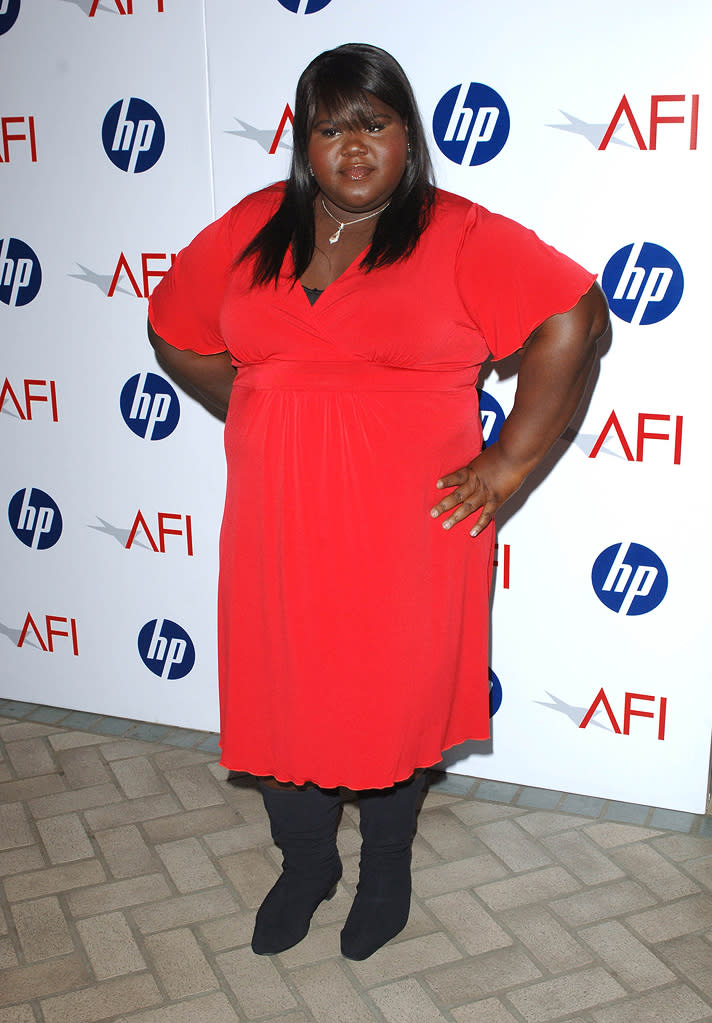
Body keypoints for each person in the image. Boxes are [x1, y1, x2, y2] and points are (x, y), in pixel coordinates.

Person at [147, 43, 609, 961]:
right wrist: (258, 406)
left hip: (410, 525)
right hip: (277, 520)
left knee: (391, 700)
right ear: (303, 143)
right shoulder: (253, 226)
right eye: (330, 129)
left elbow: (576, 317)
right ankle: (305, 865)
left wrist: (508, 464)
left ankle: (386, 868)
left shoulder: (458, 232)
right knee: (283, 693)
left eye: (374, 125)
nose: (352, 149)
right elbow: (172, 323)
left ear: (408, 136)